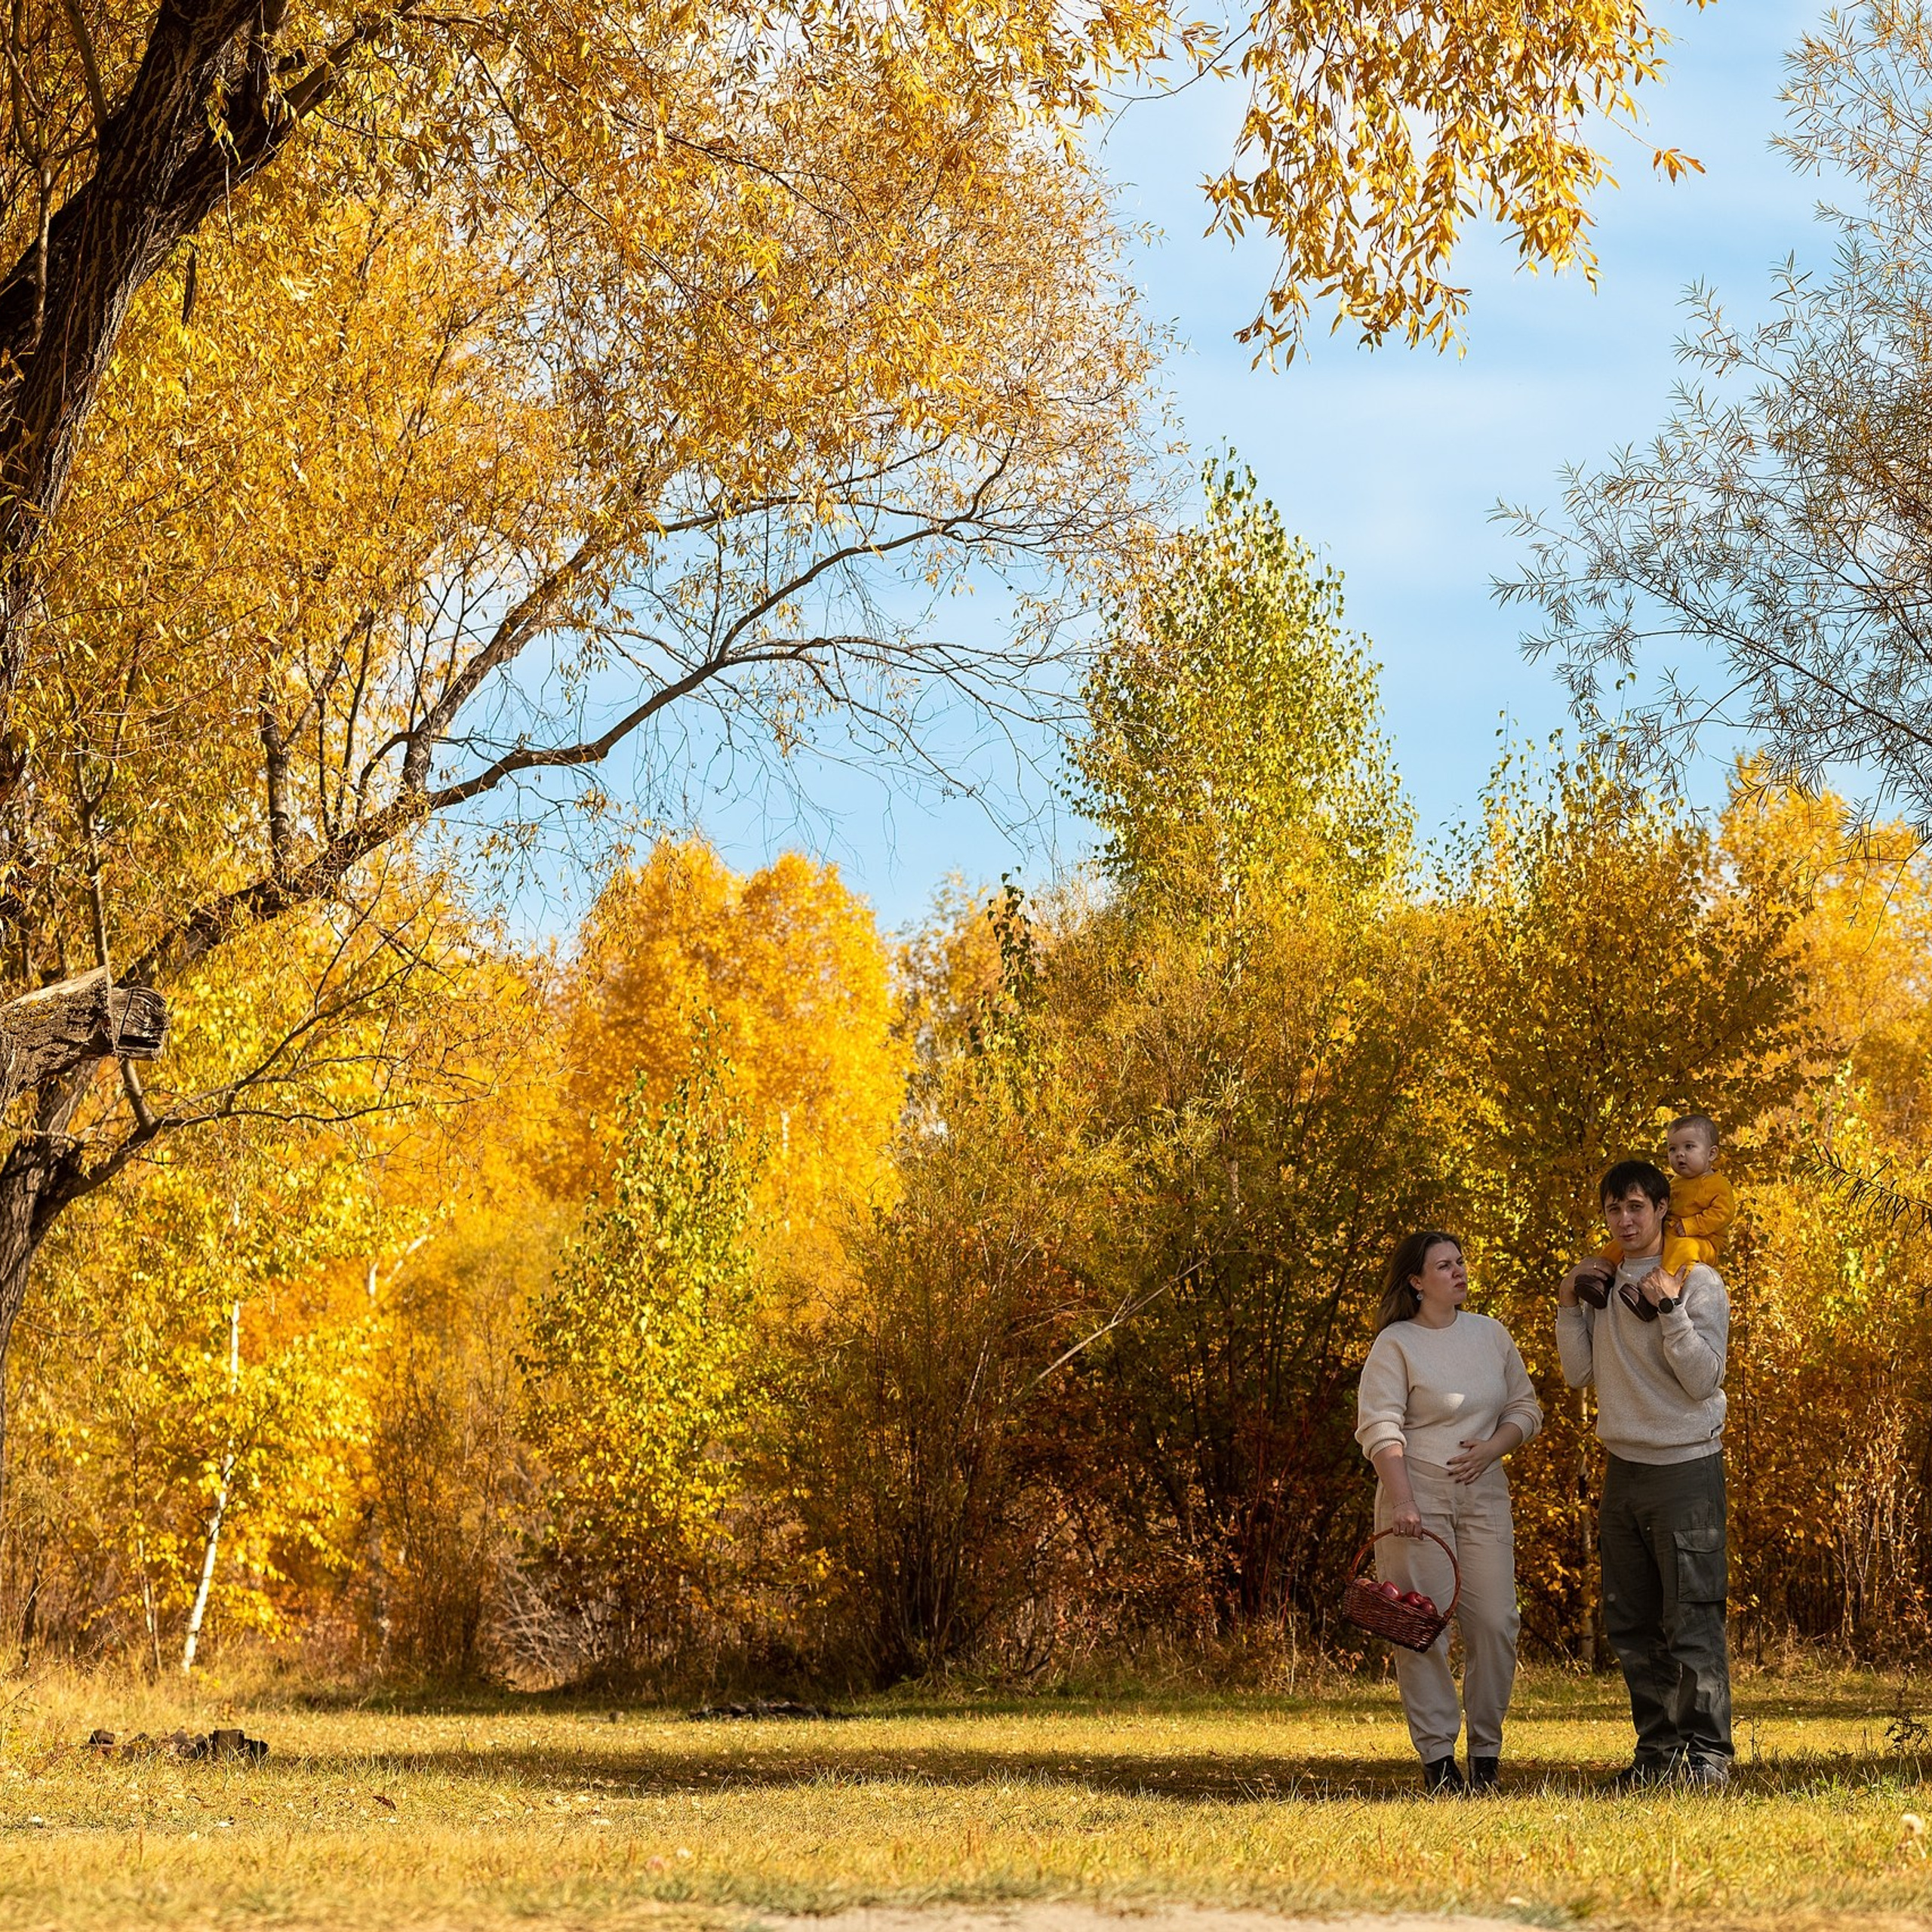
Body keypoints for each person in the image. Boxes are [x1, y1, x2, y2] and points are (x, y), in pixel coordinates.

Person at [1561, 1160, 1733, 1790]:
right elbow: (1578, 1374)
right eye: (1614, 1209)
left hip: (1686, 1467)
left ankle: (1707, 1760)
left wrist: (1669, 1310)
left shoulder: (1697, 1280)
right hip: (1623, 1469)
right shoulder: (1601, 1280)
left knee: (1692, 1617)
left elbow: (1704, 1379)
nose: (1625, 1220)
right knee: (1631, 1622)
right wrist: (1567, 1305)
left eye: (1636, 1206)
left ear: (1663, 1209)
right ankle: (1658, 1759)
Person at [1355, 1230, 1542, 1794]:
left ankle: (1486, 1755)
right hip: (1418, 1495)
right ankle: (1439, 1762)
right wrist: (1404, 1500)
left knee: (1497, 1623)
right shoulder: (1396, 1344)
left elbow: (1526, 1408)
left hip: (1485, 1492)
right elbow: (1379, 1426)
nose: (1459, 1271)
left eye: (1460, 1262)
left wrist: (1492, 1448)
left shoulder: (1490, 1334)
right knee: (1423, 1629)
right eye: (1444, 1266)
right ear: (1416, 1281)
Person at [1595, 1115, 1736, 1287]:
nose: (1679, 1154)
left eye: (1689, 1147)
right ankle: (1599, 1276)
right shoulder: (1675, 1182)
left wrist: (1692, 1225)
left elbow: (1723, 1214)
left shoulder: (1717, 1185)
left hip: (1703, 1240)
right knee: (1619, 1245)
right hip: (1674, 1232)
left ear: (1711, 1154)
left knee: (1683, 1250)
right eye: (1672, 1149)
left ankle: (1665, 1283)